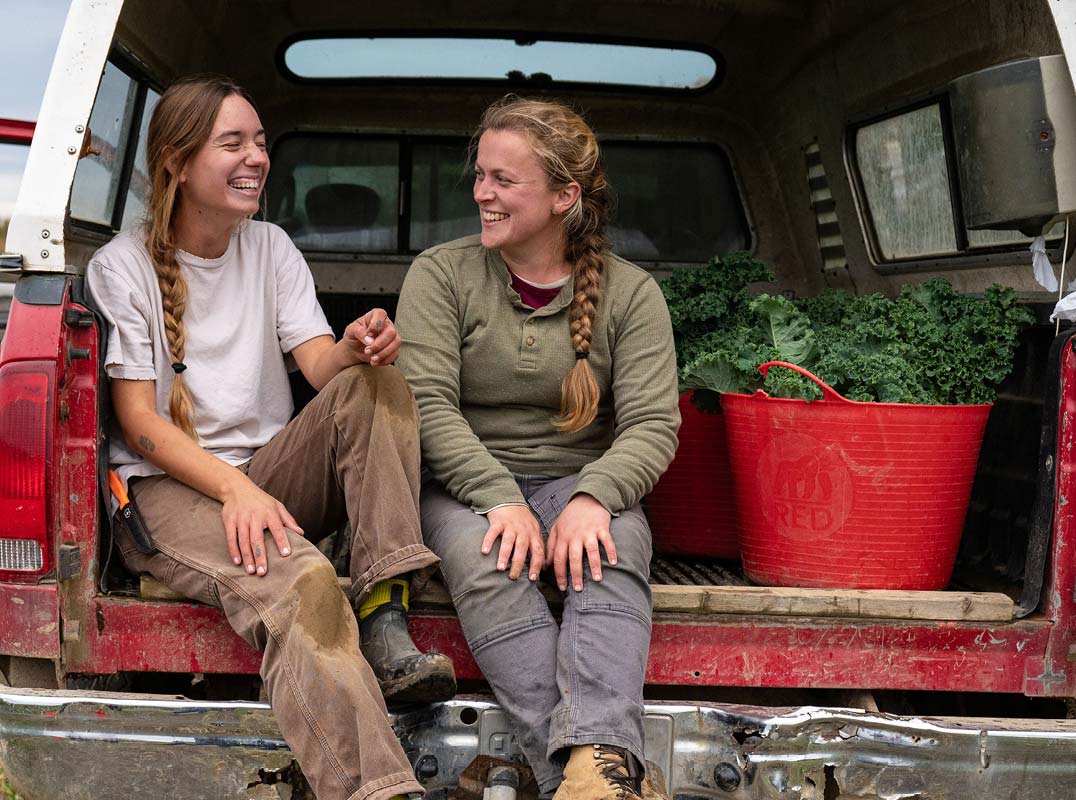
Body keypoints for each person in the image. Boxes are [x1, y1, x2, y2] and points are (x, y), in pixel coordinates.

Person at [86, 74, 455, 800]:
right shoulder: (120, 267)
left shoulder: (272, 246)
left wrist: (356, 346)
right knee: (308, 582)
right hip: (167, 494)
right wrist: (236, 490)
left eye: (259, 141)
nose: (256, 156)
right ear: (176, 161)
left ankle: (384, 615)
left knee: (377, 385)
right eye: (234, 143)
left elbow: (321, 366)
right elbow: (139, 423)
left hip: (264, 473)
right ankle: (379, 790)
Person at [396, 97, 680, 800]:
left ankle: (595, 767)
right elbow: (424, 407)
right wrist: (496, 497)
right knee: (489, 554)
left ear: (563, 197)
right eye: (481, 176)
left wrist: (593, 498)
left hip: (575, 477)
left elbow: (651, 425)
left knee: (613, 546)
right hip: (458, 483)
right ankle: (592, 777)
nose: (481, 194)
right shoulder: (442, 274)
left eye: (504, 181)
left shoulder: (631, 294)